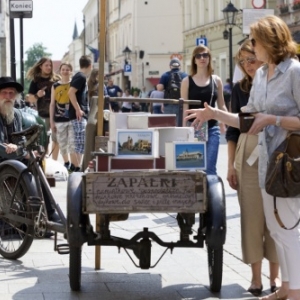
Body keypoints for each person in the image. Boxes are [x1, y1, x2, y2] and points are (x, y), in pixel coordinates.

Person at [185, 15, 300, 300]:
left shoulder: (295, 71)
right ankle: (285, 287)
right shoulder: (261, 75)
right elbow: (247, 119)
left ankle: (295, 291)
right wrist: (214, 114)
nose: (251, 46)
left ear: (271, 41)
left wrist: (273, 119)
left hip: (289, 163)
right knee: (276, 228)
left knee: (288, 230)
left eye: (254, 40)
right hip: (266, 163)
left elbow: (272, 118)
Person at [226, 40, 279, 297]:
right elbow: (233, 130)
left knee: (276, 218)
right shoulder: (239, 89)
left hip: (275, 148)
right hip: (247, 152)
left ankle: (276, 278)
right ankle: (256, 278)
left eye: (251, 58)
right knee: (251, 218)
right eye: (243, 61)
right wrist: (230, 165)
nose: (248, 65)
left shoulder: (276, 79)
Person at [0, 76, 60, 223]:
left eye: (11, 93)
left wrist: (25, 150)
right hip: (3, 158)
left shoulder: (16, 114)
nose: (8, 97)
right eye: (4, 93)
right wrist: (20, 151)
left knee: (35, 166)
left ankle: (47, 214)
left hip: (13, 159)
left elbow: (20, 140)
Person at [181, 45, 227, 175]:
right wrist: (183, 130)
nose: (202, 58)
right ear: (194, 60)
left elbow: (221, 105)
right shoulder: (187, 81)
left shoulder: (216, 80)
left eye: (205, 55)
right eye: (198, 56)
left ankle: (210, 195)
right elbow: (184, 107)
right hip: (194, 128)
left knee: (210, 168)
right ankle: (198, 194)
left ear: (209, 58)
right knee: (194, 167)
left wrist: (226, 123)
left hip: (212, 128)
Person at [26, 57, 60, 160]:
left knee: (56, 139)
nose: (49, 67)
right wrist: (37, 95)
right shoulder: (35, 81)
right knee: (44, 140)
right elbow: (29, 99)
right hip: (42, 115)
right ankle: (45, 161)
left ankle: (54, 162)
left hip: (57, 114)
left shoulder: (56, 79)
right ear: (40, 66)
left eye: (50, 65)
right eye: (46, 65)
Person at [49, 62, 78, 172]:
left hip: (72, 118)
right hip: (59, 119)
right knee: (62, 143)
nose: (65, 71)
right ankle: (66, 162)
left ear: (71, 71)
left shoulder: (74, 84)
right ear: (60, 71)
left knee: (72, 143)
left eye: (67, 69)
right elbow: (52, 104)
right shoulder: (55, 86)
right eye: (63, 69)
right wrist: (52, 122)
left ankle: (74, 166)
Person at [68, 55, 93, 172]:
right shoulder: (81, 77)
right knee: (79, 144)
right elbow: (71, 92)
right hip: (78, 116)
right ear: (90, 65)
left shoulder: (79, 76)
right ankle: (77, 170)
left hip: (78, 115)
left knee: (78, 143)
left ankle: (76, 168)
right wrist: (78, 109)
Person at [157, 58, 188, 125]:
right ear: (179, 66)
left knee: (168, 124)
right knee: (179, 124)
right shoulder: (185, 75)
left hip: (168, 103)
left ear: (170, 66)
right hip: (181, 104)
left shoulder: (165, 75)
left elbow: (160, 88)